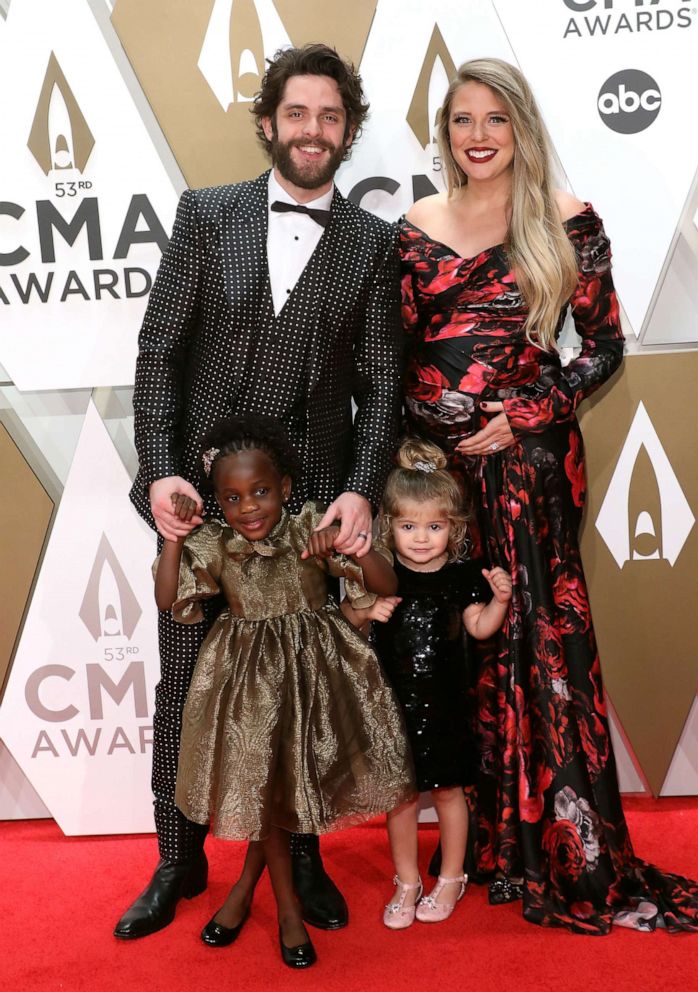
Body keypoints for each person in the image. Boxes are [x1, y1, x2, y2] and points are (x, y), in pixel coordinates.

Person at [399, 58, 698, 934]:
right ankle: (481, 845)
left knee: (539, 643)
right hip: (439, 483)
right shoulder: (413, 226)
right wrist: (423, 425)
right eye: (462, 120)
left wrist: (524, 413)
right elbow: (394, 354)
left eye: (495, 120)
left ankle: (561, 842)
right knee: (459, 652)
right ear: (446, 134)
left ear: (522, 129)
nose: (478, 136)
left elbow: (603, 348)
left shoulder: (567, 221)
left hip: (531, 468)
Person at [116, 43, 402, 940]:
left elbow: (385, 384)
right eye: (297, 113)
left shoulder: (374, 242)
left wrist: (359, 491)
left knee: (301, 691)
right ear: (269, 121)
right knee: (182, 684)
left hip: (309, 505)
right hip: (201, 505)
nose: (311, 130)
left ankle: (303, 859)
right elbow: (159, 354)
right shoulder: (207, 214)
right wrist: (161, 465)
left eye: (330, 116)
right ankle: (177, 855)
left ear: (347, 130)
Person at [153, 414, 413, 967]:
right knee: (264, 791)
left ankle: (245, 890)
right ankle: (289, 911)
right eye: (232, 498)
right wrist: (172, 538)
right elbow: (168, 599)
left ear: (287, 489)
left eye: (261, 492)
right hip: (246, 682)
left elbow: (386, 583)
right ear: (218, 503)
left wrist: (350, 544)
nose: (248, 507)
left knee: (278, 793)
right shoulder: (216, 544)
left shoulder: (308, 529)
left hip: (314, 679)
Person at [344, 438, 511, 929]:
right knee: (401, 797)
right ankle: (407, 880)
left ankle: (453, 875)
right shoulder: (384, 576)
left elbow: (480, 627)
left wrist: (499, 600)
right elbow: (345, 625)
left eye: (434, 526)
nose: (421, 538)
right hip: (392, 709)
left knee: (448, 794)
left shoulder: (462, 578)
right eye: (408, 526)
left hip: (447, 709)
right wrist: (366, 610)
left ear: (454, 528)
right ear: (387, 526)